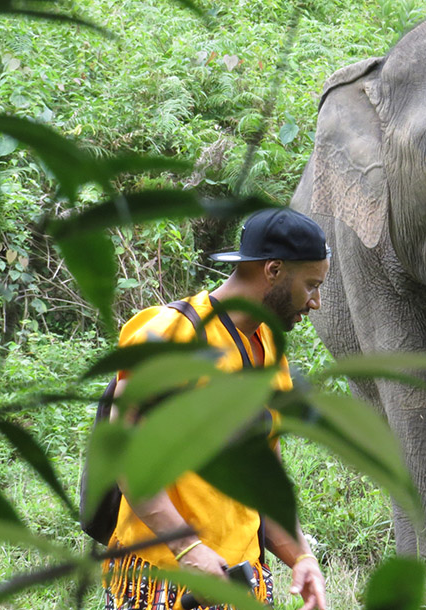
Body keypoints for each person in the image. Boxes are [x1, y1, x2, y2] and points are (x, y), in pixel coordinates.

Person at [102, 206, 329, 610]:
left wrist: (301, 557)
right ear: (273, 271)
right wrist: (189, 549)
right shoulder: (169, 335)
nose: (315, 303)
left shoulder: (269, 344)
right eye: (311, 285)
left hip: (242, 575)